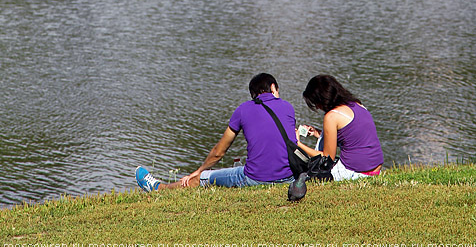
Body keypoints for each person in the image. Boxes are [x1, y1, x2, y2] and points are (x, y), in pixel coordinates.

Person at [135, 73, 295, 192]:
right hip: (288, 178)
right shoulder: (288, 107)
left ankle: (158, 188)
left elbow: (219, 152)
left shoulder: (243, 109)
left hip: (255, 179)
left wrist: (198, 171)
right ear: (274, 87)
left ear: (253, 95)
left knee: (202, 178)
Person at [296, 74, 383, 182]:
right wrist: (317, 133)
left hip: (356, 171)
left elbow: (327, 157)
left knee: (308, 175)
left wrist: (298, 144)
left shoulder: (331, 117)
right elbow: (351, 137)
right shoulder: (357, 104)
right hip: (375, 168)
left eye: (316, 103)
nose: (317, 107)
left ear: (322, 99)